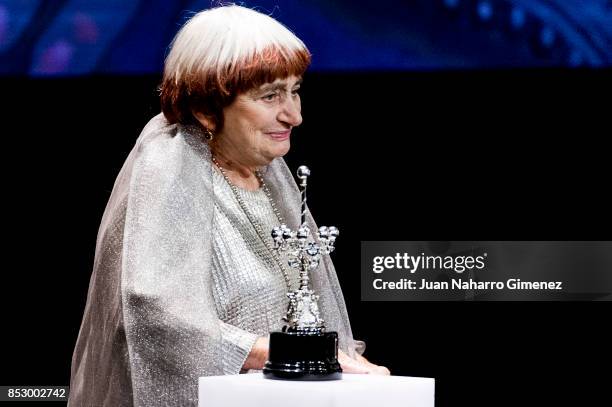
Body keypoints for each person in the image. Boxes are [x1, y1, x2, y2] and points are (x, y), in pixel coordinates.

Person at [68, 5, 389, 407]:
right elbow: (157, 318)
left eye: (295, 90)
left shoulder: (269, 175)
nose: (295, 115)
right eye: (270, 95)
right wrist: (290, 354)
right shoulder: (167, 168)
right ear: (205, 108)